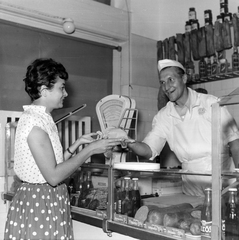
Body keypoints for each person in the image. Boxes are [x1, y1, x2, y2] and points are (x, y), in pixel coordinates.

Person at [4, 58, 121, 240]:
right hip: (39, 203)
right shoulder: (34, 123)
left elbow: (50, 165)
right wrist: (89, 150)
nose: (65, 93)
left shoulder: (43, 118)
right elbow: (53, 176)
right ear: (44, 90)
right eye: (61, 88)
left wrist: (77, 144)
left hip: (48, 199)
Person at [127, 59, 239, 197]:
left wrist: (238, 176)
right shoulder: (164, 116)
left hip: (222, 182)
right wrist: (128, 142)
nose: (167, 87)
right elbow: (149, 150)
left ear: (184, 79)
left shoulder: (210, 103)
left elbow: (235, 142)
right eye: (162, 82)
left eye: (171, 80)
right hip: (190, 186)